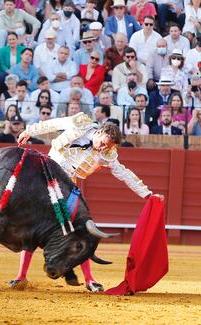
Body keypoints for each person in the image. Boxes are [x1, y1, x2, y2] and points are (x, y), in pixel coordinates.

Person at [15, 112, 163, 292]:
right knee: (33, 227)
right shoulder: (80, 123)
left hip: (68, 186)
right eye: (102, 143)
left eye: (107, 147)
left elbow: (124, 173)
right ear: (100, 131)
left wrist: (147, 194)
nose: (102, 149)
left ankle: (90, 280)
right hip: (46, 177)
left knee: (82, 231)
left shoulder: (107, 153)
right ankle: (21, 276)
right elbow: (54, 124)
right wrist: (29, 131)